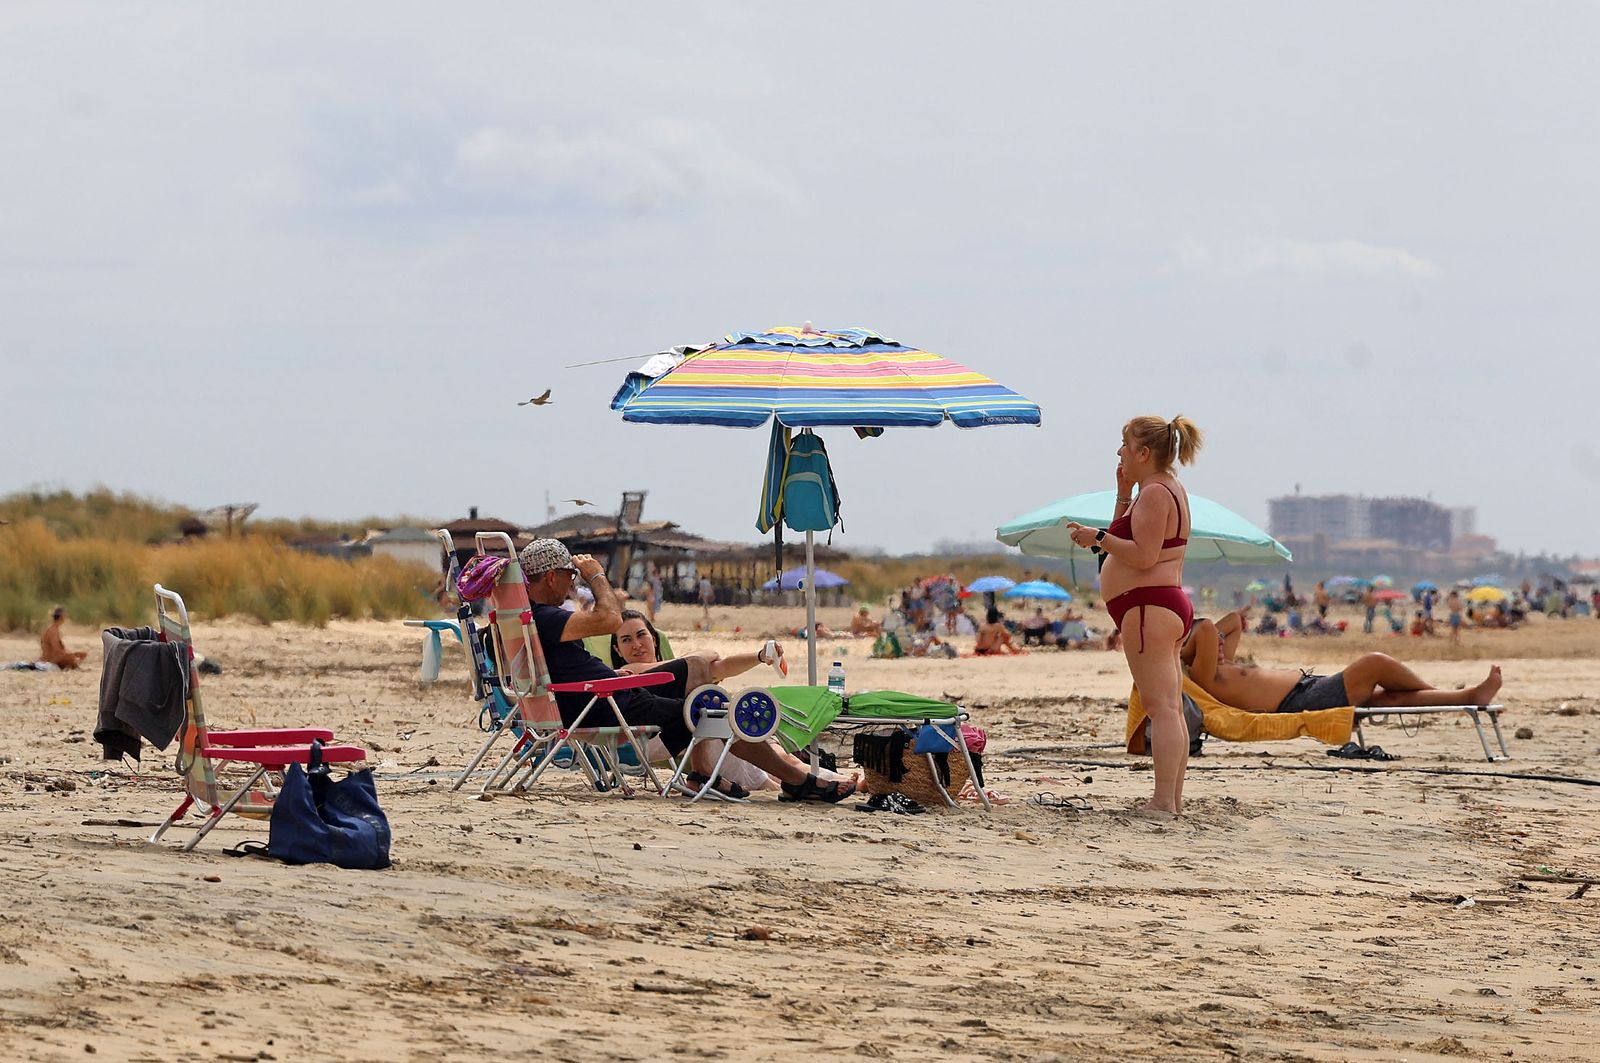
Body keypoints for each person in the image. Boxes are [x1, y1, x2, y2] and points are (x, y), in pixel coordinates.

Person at [519, 539, 855, 803]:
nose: (570, 585)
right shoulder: (546, 618)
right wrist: (596, 575)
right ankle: (797, 781)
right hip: (603, 704)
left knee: (695, 671)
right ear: (551, 576)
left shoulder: (526, 621)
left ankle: (704, 770)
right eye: (568, 577)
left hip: (600, 695)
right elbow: (611, 618)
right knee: (716, 713)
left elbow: (565, 668)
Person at [1066, 414, 1201, 819]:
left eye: (1125, 444)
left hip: (1149, 607)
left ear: (1144, 452)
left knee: (1161, 708)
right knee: (1170, 707)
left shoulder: (1158, 492)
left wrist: (1097, 538)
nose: (1119, 451)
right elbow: (1124, 543)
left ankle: (1163, 802)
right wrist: (1122, 495)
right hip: (1157, 605)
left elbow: (1140, 555)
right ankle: (1171, 801)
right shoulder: (1159, 490)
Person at [608, 610, 829, 794]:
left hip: (688, 732)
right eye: (626, 640)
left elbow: (720, 668)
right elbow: (701, 662)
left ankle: (836, 780)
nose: (636, 645)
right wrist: (701, 657)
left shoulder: (682, 672)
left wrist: (760, 656)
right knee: (717, 722)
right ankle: (774, 786)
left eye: (641, 635)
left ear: (653, 639)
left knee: (779, 753)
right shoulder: (630, 671)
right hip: (649, 738)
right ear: (618, 649)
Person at [1182, 612, 1502, 712]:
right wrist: (1186, 645)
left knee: (1390, 699)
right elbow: (1210, 627)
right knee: (1374, 662)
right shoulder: (1204, 675)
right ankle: (1440, 695)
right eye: (1214, 646)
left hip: (1310, 687)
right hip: (1301, 701)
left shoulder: (1220, 667)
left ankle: (1467, 697)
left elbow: (1233, 621)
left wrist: (1202, 640)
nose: (1222, 647)